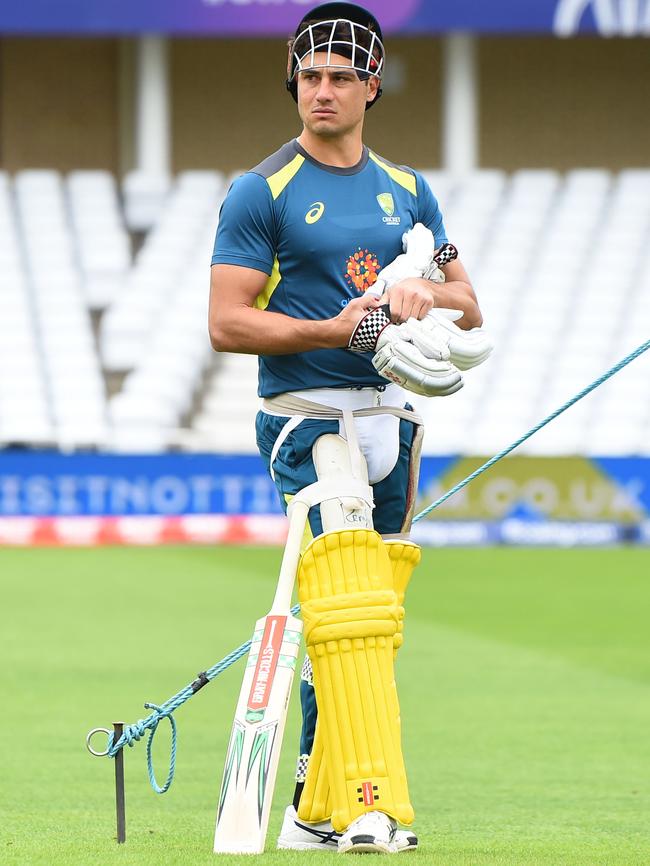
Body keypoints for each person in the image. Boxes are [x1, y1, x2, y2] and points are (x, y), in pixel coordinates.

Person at [209, 2, 484, 854]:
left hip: (393, 422)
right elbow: (226, 323)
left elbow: (470, 310)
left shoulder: (408, 190)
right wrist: (339, 329)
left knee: (368, 618)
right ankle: (369, 805)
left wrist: (419, 295)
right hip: (306, 418)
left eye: (338, 77)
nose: (320, 92)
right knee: (347, 603)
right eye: (309, 77)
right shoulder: (262, 191)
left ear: (372, 85)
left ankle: (308, 811)